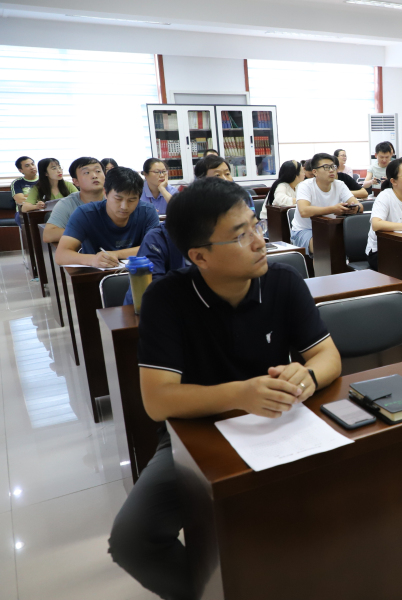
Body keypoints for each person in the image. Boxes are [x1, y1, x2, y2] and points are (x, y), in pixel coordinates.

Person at [108, 176, 341, 600]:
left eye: (255, 225)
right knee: (133, 539)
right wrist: (240, 394)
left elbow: (327, 356)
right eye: (240, 235)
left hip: (282, 422)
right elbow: (157, 401)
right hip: (196, 435)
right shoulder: (166, 300)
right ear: (199, 256)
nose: (258, 241)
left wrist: (307, 377)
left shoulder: (283, 281)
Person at [55, 167, 159, 268]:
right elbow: (61, 255)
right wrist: (93, 259)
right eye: (118, 199)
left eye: (131, 200)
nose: (124, 206)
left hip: (140, 273)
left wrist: (116, 254)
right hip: (95, 274)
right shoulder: (85, 214)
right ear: (105, 193)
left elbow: (155, 247)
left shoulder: (147, 211)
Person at [291, 152, 362, 252]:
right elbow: (304, 211)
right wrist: (333, 209)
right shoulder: (305, 186)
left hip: (330, 228)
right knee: (322, 246)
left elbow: (359, 205)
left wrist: (355, 209)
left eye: (333, 167)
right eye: (326, 167)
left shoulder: (340, 184)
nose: (331, 170)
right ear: (315, 172)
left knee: (353, 241)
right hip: (305, 230)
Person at [43, 157, 106, 243]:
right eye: (87, 172)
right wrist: (89, 232)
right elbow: (48, 234)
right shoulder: (67, 203)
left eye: (98, 171)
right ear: (76, 181)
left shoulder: (116, 199)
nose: (94, 176)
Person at [11, 156, 38, 226]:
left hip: (42, 208)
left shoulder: (44, 180)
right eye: (27, 166)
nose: (32, 167)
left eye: (33, 164)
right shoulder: (17, 182)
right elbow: (20, 200)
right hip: (25, 211)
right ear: (21, 170)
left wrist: (27, 196)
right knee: (21, 217)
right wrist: (38, 197)